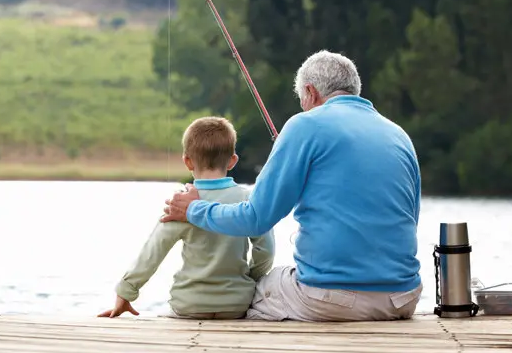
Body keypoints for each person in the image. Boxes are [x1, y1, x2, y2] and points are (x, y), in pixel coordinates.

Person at [161, 50, 422, 322]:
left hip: (333, 299)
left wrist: (194, 210)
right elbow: (409, 220)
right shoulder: (398, 134)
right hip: (403, 298)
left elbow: (255, 218)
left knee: (253, 292)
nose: (302, 108)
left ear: (310, 92)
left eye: (301, 101)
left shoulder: (304, 125)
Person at [99, 116, 276, 320]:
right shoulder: (247, 200)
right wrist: (249, 280)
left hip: (190, 303)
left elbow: (153, 251)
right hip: (237, 304)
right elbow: (266, 250)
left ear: (187, 161)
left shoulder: (181, 203)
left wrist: (126, 292)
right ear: (233, 160)